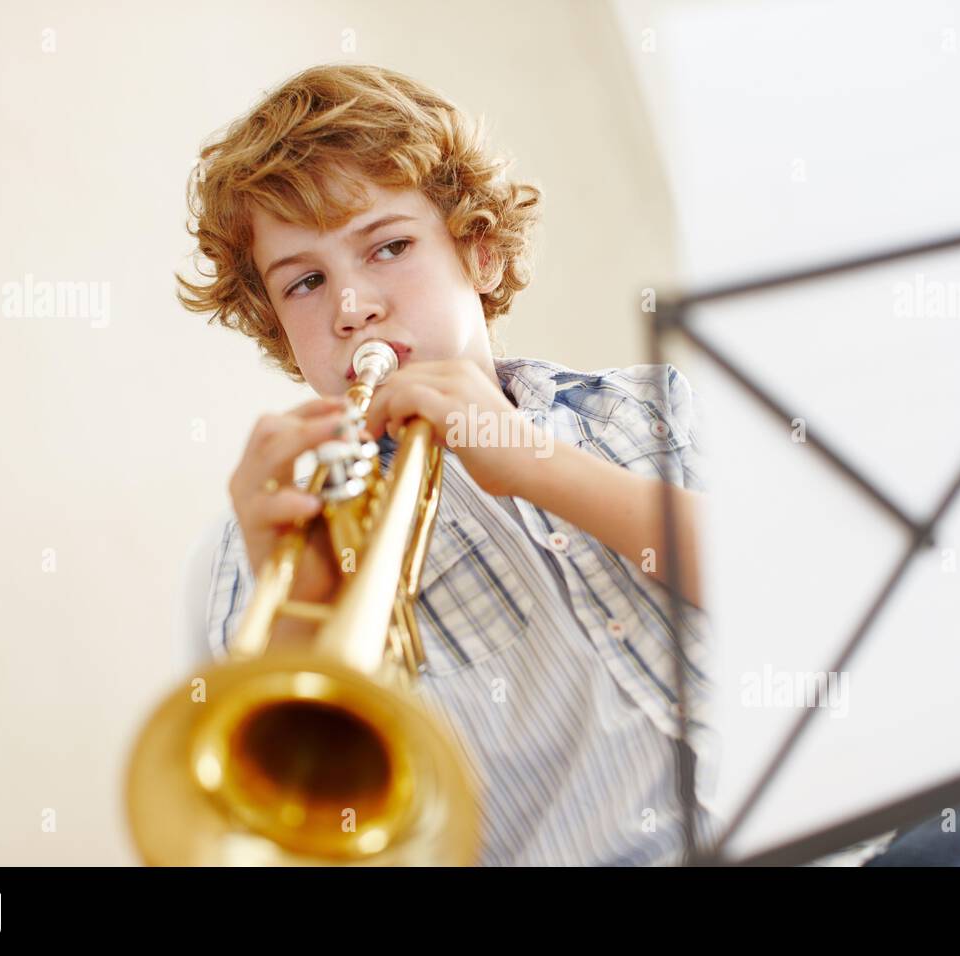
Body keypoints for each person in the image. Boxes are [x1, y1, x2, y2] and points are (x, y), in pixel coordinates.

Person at [176, 63, 722, 865]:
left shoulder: (641, 408)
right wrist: (299, 614)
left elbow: (796, 595)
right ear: (276, 331)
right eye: (305, 284)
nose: (351, 305)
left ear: (482, 254)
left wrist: (534, 461)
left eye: (390, 246)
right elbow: (295, 833)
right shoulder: (267, 545)